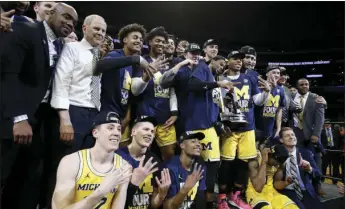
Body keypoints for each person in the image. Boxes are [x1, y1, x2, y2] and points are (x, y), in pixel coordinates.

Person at [0, 3, 78, 209]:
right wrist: (19, 117)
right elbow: (8, 75)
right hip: (11, 120)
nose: (70, 24)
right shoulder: (26, 28)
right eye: (67, 17)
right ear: (50, 13)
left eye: (74, 22)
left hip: (37, 121)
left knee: (25, 179)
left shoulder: (60, 44)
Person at [159, 43, 236, 209]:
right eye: (191, 53)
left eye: (197, 53)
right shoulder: (186, 69)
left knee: (212, 164)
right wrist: (218, 84)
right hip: (190, 124)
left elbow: (211, 102)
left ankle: (207, 203)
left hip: (206, 125)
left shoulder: (205, 70)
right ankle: (180, 200)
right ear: (186, 54)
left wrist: (217, 121)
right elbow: (184, 86)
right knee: (189, 163)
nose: (195, 56)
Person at [217, 50, 271, 209]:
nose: (239, 61)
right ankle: (221, 197)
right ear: (228, 61)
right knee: (226, 163)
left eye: (241, 59)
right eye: (235, 58)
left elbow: (258, 101)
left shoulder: (249, 79)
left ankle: (236, 195)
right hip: (229, 128)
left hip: (248, 127)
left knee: (243, 163)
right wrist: (220, 123)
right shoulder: (220, 79)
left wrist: (267, 91)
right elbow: (217, 103)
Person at [51, 111, 132, 209]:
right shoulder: (72, 162)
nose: (116, 133)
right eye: (110, 128)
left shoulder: (124, 167)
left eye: (119, 129)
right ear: (95, 133)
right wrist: (100, 192)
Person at [132, 27, 180, 160]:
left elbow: (172, 91)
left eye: (163, 42)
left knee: (169, 156)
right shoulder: (141, 62)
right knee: (141, 155)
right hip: (146, 115)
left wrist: (175, 112)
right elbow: (135, 91)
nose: (161, 44)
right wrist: (150, 71)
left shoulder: (170, 65)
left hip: (166, 119)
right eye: (157, 41)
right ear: (150, 42)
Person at [101, 23, 148, 147]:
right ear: (125, 40)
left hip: (121, 115)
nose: (139, 41)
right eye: (135, 37)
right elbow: (102, 64)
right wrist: (135, 59)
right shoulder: (115, 55)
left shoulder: (133, 66)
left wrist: (127, 117)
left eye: (141, 39)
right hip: (106, 113)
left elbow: (131, 94)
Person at [117, 116, 171, 209]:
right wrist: (134, 183)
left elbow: (153, 205)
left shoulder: (154, 160)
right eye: (146, 129)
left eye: (152, 131)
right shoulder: (117, 157)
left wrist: (161, 196)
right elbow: (112, 202)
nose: (150, 134)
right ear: (133, 132)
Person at [274, 127, 324, 209]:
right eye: (287, 136)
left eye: (293, 135)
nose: (291, 137)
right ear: (281, 140)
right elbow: (275, 182)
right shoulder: (277, 156)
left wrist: (309, 169)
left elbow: (319, 176)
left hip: (307, 192)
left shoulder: (306, 153)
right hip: (288, 193)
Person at [162, 131, 207, 209]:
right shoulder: (170, 167)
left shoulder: (200, 165)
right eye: (193, 141)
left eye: (199, 142)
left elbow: (200, 197)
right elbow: (167, 206)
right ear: (182, 146)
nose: (198, 144)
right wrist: (186, 188)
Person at [259, 65, 286, 147]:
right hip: (257, 125)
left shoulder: (281, 89)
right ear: (267, 74)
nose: (277, 75)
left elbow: (279, 110)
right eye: (274, 72)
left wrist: (278, 128)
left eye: (278, 73)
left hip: (270, 127)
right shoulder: (259, 85)